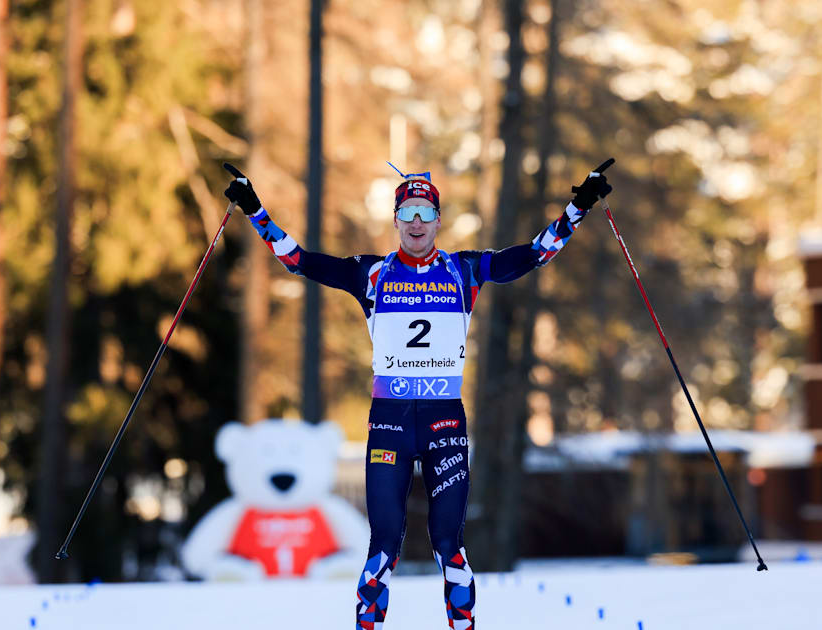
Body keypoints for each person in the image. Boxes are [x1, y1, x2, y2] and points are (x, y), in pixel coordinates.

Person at [223, 162, 612, 630]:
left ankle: (461, 621)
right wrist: (254, 210)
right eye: (407, 210)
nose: (416, 221)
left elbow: (532, 255)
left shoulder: (464, 270)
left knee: (449, 542)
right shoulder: (370, 274)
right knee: (383, 545)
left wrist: (579, 206)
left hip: (444, 421)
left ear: (438, 219)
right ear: (395, 219)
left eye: (425, 211)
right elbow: (298, 260)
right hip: (389, 421)